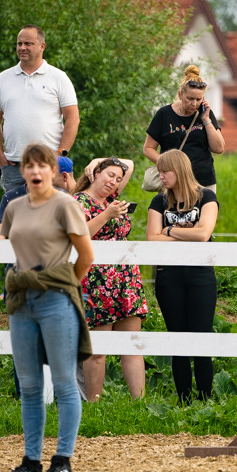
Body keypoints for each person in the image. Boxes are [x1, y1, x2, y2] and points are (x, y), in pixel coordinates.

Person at [0, 143, 94, 472]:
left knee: (65, 382)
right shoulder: (14, 207)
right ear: (22, 171)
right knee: (30, 385)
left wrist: (62, 286)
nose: (35, 171)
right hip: (22, 302)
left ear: (53, 171)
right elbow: (5, 242)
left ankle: (63, 461)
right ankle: (31, 462)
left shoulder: (65, 205)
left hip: (55, 301)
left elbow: (85, 257)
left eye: (42, 166)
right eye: (29, 166)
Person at [146, 150, 218, 404]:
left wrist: (169, 229)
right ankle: (184, 400)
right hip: (168, 276)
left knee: (201, 337)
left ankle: (206, 400)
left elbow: (203, 234)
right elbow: (152, 239)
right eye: (159, 171)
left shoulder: (206, 197)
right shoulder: (158, 201)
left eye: (165, 171)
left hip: (201, 275)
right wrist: (185, 231)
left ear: (179, 170)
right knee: (177, 338)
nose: (160, 176)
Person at [73, 156, 147, 400]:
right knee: (97, 351)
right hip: (97, 282)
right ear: (95, 175)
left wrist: (96, 161)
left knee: (131, 345)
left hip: (126, 280)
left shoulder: (111, 198)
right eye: (109, 175)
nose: (114, 182)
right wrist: (107, 214)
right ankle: (94, 405)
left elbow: (130, 164)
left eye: (118, 179)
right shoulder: (79, 200)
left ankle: (140, 404)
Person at [0, 24, 80, 193]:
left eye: (28, 44)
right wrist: (0, 157)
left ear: (42, 46)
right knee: (15, 217)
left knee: (52, 218)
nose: (22, 47)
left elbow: (73, 118)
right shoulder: (3, 78)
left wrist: (61, 153)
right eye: (19, 43)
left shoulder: (58, 78)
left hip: (50, 166)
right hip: (14, 167)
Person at [143, 65, 225, 192]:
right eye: (190, 98)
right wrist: (168, 164)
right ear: (180, 94)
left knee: (205, 212)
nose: (194, 103)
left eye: (199, 99)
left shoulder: (206, 114)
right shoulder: (164, 114)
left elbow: (219, 148)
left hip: (203, 182)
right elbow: (148, 149)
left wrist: (206, 120)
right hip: (173, 183)